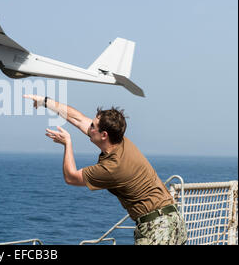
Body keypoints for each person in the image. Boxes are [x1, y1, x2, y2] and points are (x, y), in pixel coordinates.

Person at [23, 94, 188, 245]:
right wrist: (45, 102)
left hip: (157, 229)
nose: (89, 127)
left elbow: (71, 177)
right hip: (174, 222)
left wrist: (68, 143)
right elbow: (79, 119)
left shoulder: (112, 167)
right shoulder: (121, 140)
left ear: (104, 135)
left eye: (93, 126)